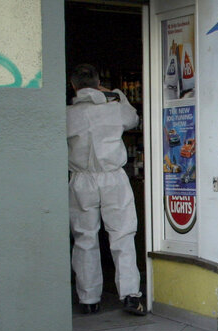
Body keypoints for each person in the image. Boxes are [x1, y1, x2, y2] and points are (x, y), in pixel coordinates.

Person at [66, 64, 145, 316]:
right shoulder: (114, 108)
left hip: (81, 179)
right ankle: (131, 295)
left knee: (84, 238)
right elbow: (133, 118)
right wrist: (114, 93)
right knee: (122, 235)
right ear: (99, 82)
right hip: (113, 177)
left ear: (73, 85)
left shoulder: (67, 113)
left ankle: (88, 299)